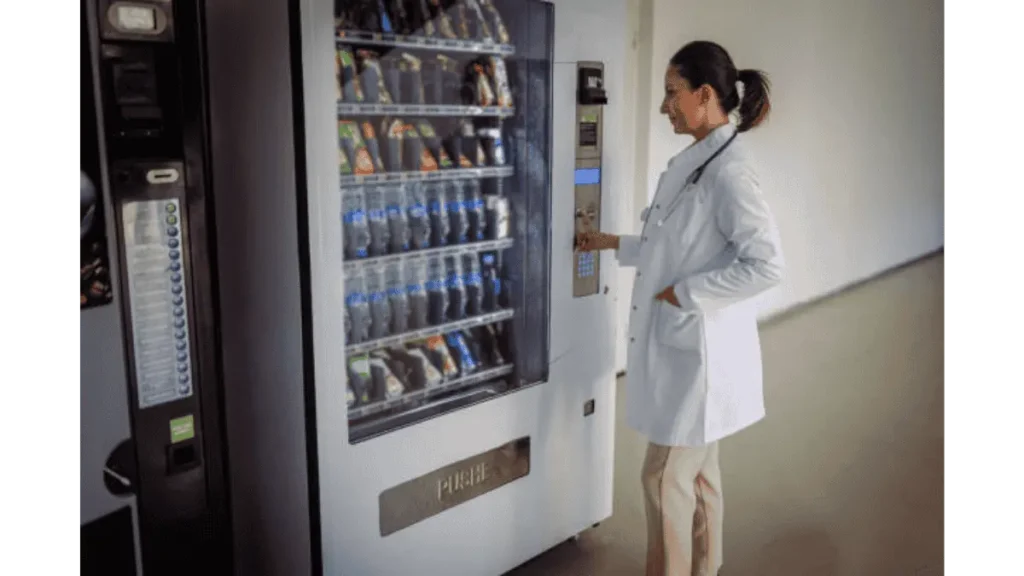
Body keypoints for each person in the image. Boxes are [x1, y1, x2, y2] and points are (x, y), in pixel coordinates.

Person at [576, 40, 785, 576]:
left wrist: (684, 294)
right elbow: (670, 246)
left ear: (705, 93)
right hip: (687, 351)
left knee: (663, 478)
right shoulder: (695, 161)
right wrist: (607, 243)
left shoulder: (729, 172)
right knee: (699, 477)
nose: (664, 105)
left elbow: (766, 264)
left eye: (672, 93)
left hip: (700, 355)